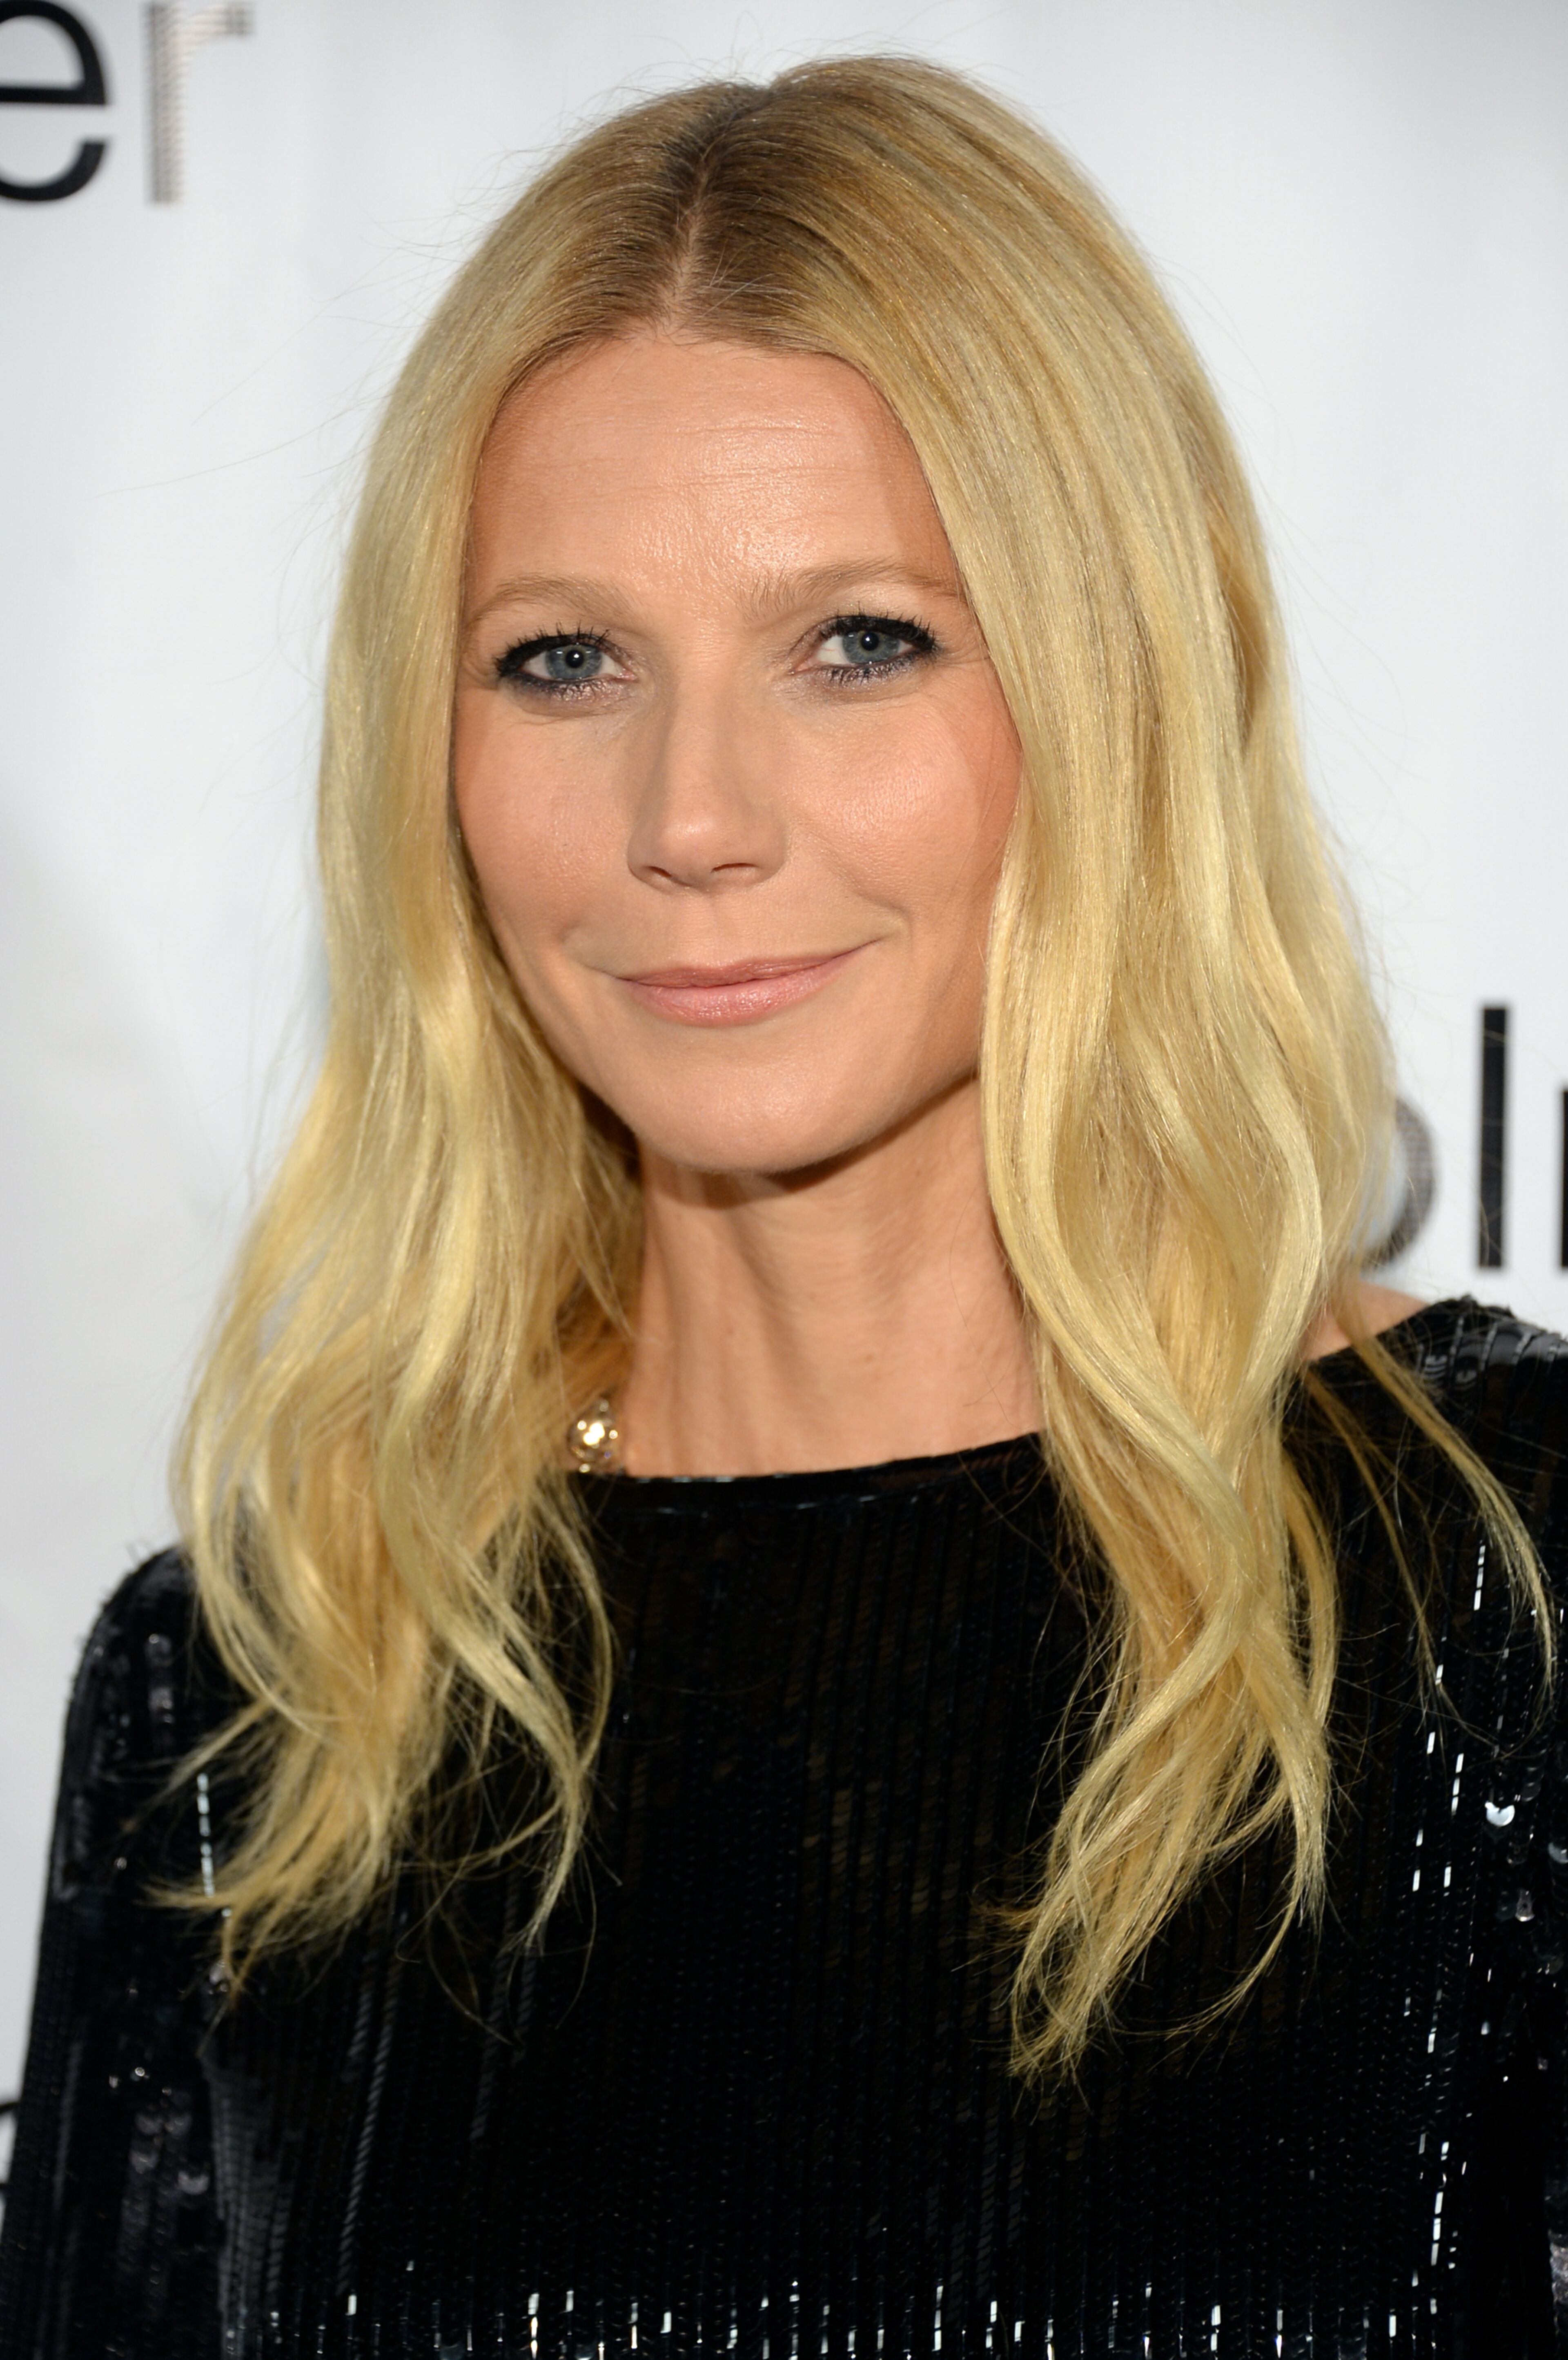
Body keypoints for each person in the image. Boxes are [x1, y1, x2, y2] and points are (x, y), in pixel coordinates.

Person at [1, 55, 1564, 2360]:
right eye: (565, 660)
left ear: (1114, 688)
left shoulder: (1502, 1591)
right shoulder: (257, 1695)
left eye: (859, 642)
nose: (694, 814)